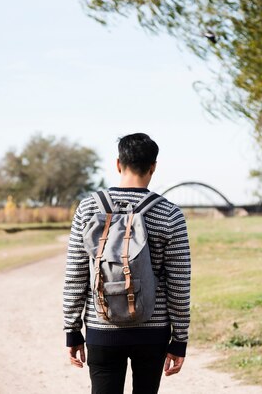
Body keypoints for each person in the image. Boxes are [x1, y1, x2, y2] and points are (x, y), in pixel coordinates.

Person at [63, 133, 191, 394]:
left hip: (102, 327)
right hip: (153, 332)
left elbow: (75, 275)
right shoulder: (170, 214)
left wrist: (72, 330)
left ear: (118, 164)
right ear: (153, 167)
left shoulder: (88, 208)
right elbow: (179, 283)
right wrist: (180, 339)